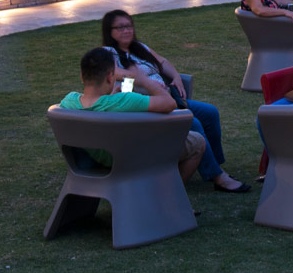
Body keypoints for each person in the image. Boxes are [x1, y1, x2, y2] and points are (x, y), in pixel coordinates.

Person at [98, 12, 247, 192]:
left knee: (210, 113)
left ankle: (214, 164)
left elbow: (162, 62)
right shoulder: (107, 53)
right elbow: (115, 73)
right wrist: (143, 79)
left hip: (170, 98)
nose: (127, 30)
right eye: (120, 27)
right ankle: (218, 177)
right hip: (147, 105)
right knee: (193, 121)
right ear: (109, 31)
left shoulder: (140, 47)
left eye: (129, 26)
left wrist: (175, 77)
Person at [60, 47, 207, 184]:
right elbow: (169, 103)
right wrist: (144, 80)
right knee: (198, 142)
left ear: (81, 76)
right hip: (132, 158)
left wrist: (113, 95)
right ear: (111, 77)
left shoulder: (68, 101)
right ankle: (167, 196)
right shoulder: (125, 100)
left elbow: (98, 105)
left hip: (98, 158)